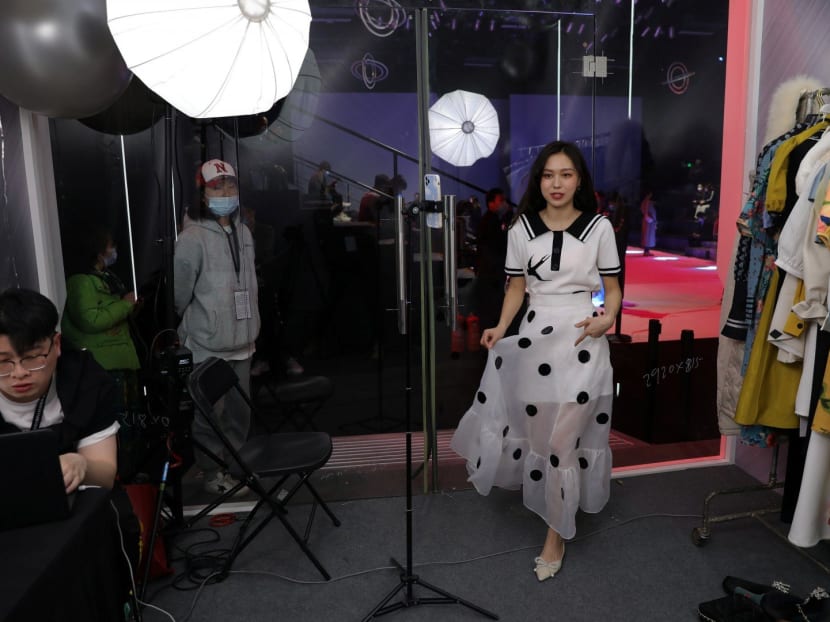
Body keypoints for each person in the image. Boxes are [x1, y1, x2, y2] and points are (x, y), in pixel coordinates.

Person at [451, 141, 621, 582]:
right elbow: (516, 288)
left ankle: (556, 534)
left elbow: (613, 285)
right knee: (543, 435)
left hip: (584, 336)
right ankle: (556, 510)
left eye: (566, 174)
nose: (557, 183)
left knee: (564, 441)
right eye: (548, 175)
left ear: (579, 179)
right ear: (538, 180)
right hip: (535, 338)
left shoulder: (600, 228)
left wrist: (610, 317)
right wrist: (501, 327)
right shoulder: (520, 229)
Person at [174, 159, 260, 495]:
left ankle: (236, 469)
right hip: (208, 345)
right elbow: (179, 294)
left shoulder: (244, 231)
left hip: (243, 343)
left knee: (239, 416)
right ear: (202, 193)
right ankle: (212, 474)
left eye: (230, 185)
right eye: (216, 186)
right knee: (209, 416)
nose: (225, 191)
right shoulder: (192, 238)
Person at [0, 288, 119, 493]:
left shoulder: (86, 382)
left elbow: (106, 474)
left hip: (72, 506)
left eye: (32, 357)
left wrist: (81, 464)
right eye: (3, 361)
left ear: (56, 345)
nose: (19, 373)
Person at [61, 224, 145, 478]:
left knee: (132, 420)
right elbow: (90, 320)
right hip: (104, 365)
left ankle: (132, 471)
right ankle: (120, 476)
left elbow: (114, 314)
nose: (114, 251)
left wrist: (131, 307)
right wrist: (124, 305)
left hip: (122, 359)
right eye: (110, 246)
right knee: (115, 423)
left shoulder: (108, 278)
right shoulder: (80, 282)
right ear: (98, 252)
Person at [472, 187, 510, 330]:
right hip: (491, 276)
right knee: (491, 314)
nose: (504, 203)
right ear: (491, 203)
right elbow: (494, 250)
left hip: (493, 275)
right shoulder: (489, 223)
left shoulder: (497, 220)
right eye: (501, 200)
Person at [640, 190, 657, 255]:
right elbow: (645, 211)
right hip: (648, 221)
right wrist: (648, 217)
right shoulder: (646, 201)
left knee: (647, 236)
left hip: (649, 221)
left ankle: (646, 250)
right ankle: (646, 251)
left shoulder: (646, 201)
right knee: (647, 236)